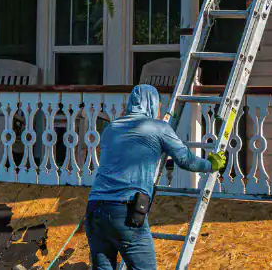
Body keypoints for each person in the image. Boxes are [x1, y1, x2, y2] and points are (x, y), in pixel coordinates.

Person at [85, 84, 226, 270]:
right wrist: (211, 165)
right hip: (124, 211)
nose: (159, 111)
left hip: (95, 209)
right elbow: (185, 160)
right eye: (158, 106)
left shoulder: (111, 128)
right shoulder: (158, 128)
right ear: (150, 103)